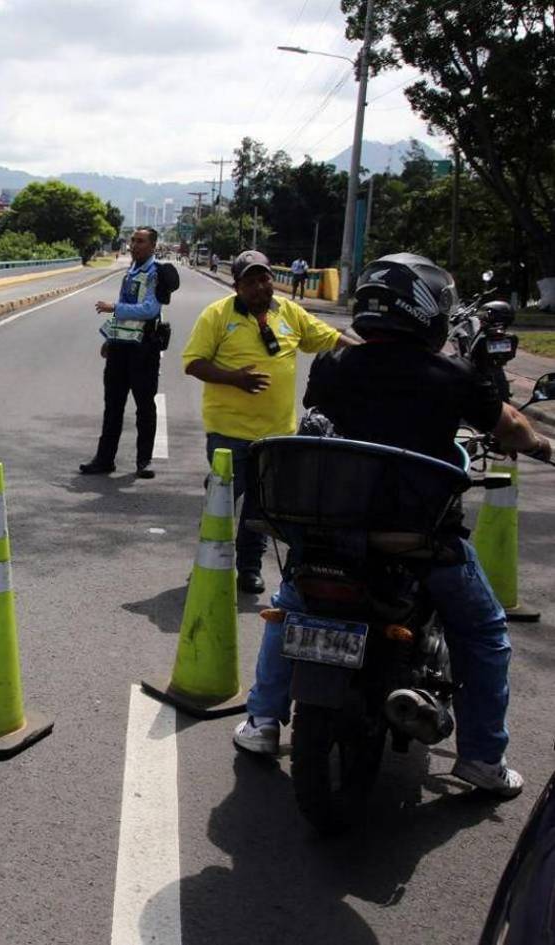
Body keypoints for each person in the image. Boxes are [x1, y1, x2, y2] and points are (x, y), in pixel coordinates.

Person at [233, 253, 552, 797]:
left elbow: (321, 421)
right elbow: (513, 426)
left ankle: (263, 722)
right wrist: (542, 444)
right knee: (484, 631)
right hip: (415, 539)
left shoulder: (333, 365)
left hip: (331, 531)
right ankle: (480, 760)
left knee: (291, 608)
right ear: (426, 310)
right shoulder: (453, 376)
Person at [182, 250, 353, 594]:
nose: (260, 287)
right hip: (228, 432)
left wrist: (372, 354)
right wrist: (235, 378)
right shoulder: (217, 315)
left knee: (262, 509)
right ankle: (208, 562)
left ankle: (249, 568)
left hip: (277, 434)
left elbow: (331, 338)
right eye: (251, 281)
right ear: (238, 286)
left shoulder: (289, 312)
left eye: (264, 279)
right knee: (223, 502)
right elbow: (193, 363)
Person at [80, 227, 163, 477]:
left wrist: (113, 307)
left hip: (143, 349)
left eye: (140, 242)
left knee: (144, 407)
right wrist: (110, 337)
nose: (134, 245)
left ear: (152, 246)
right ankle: (104, 459)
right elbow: (125, 310)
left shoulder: (156, 273)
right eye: (133, 241)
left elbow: (149, 310)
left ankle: (144, 461)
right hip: (120, 347)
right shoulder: (132, 271)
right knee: (113, 405)